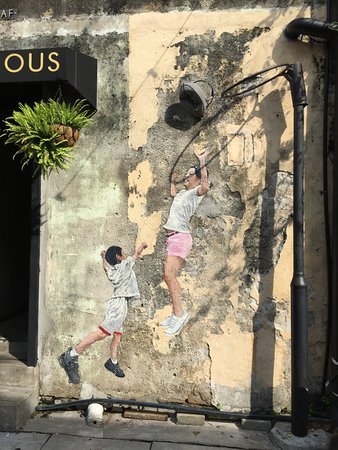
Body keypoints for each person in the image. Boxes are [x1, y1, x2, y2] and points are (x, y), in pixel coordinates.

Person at [59, 241, 148, 384]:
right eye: (123, 253)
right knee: (102, 333)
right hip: (119, 304)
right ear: (119, 257)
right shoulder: (125, 265)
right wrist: (142, 247)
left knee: (117, 336)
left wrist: (103, 257)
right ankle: (72, 354)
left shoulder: (112, 270)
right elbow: (136, 254)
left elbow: (106, 267)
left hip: (121, 303)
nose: (126, 255)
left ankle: (112, 361)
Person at [161, 148, 213, 336]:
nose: (186, 176)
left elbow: (206, 186)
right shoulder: (183, 194)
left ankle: (180, 314)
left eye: (190, 175)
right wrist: (172, 182)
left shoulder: (195, 193)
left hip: (180, 238)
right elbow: (174, 195)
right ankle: (176, 314)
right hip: (173, 238)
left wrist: (202, 161)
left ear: (197, 180)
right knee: (168, 276)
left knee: (169, 275)